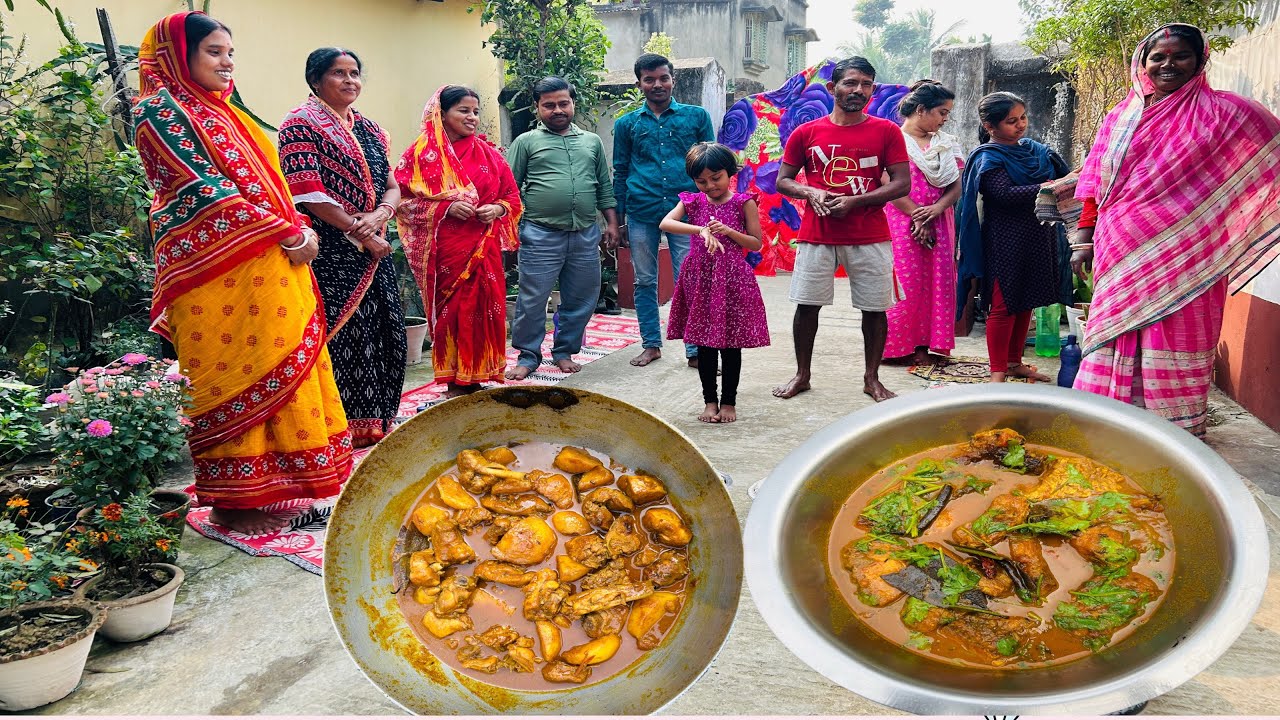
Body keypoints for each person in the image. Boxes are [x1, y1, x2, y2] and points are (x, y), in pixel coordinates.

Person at [132, 12, 351, 535]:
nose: (227, 62)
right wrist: (290, 233)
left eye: (230, 52)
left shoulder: (228, 113)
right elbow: (202, 190)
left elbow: (268, 184)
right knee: (237, 374)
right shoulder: (158, 111)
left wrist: (295, 227)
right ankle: (232, 501)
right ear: (175, 56)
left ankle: (274, 487)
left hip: (271, 261)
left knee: (285, 366)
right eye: (213, 51)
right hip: (215, 268)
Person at [1070, 24, 1280, 437]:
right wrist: (1083, 239)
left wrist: (1225, 213)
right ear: (1142, 62)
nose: (1168, 64)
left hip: (1192, 254)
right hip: (1121, 247)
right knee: (1115, 331)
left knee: (1178, 333)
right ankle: (1108, 423)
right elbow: (1095, 184)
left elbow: (1269, 153)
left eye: (1180, 55)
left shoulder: (1228, 112)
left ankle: (1173, 433)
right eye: (1158, 56)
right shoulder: (1121, 117)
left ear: (1199, 59)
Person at [278, 48, 405, 447]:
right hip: (331, 252)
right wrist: (359, 230)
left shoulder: (370, 128)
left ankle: (379, 420)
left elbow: (393, 183)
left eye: (355, 73)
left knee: (386, 332)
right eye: (338, 73)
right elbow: (307, 192)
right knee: (344, 337)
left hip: (376, 246)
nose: (350, 80)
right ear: (315, 80)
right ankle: (340, 426)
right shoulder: (299, 124)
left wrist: (381, 214)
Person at [772, 56, 911, 402]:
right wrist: (811, 191)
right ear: (832, 88)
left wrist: (856, 202)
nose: (858, 90)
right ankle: (802, 375)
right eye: (850, 83)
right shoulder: (806, 132)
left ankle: (871, 379)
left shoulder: (887, 131)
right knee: (807, 306)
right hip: (817, 233)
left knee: (875, 309)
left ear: (873, 90)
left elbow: (901, 184)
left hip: (870, 234)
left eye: (866, 84)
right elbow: (784, 181)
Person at [395, 86, 522, 397]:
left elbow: (513, 198)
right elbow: (400, 201)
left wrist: (497, 208)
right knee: (453, 313)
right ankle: (455, 380)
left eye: (476, 111)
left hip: (483, 248)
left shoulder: (489, 154)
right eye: (463, 110)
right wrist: (445, 207)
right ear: (441, 113)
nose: (473, 118)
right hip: (446, 253)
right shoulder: (420, 156)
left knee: (484, 309)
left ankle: (476, 375)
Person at [504, 77, 619, 380]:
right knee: (532, 299)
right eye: (549, 105)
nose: (557, 109)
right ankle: (528, 355)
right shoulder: (526, 142)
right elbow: (510, 190)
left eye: (563, 103)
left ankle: (564, 351)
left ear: (573, 103)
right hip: (540, 233)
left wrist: (611, 222)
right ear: (537, 107)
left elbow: (603, 186)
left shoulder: (591, 141)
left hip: (584, 233)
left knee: (582, 296)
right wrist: (509, 229)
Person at [955, 92, 1069, 383]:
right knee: (1003, 305)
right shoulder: (988, 157)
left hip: (1038, 234)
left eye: (1022, 118)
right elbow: (1003, 195)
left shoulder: (1033, 151)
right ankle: (997, 374)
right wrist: (1051, 185)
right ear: (990, 126)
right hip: (1005, 238)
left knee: (1026, 301)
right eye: (1011, 121)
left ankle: (1014, 362)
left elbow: (1064, 178)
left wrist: (1061, 182)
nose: (1020, 125)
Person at [612, 53, 716, 367]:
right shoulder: (626, 124)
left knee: (691, 278)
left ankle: (696, 350)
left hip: (686, 212)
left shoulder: (696, 117)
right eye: (650, 79)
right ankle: (651, 344)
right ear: (639, 83)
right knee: (644, 281)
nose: (657, 85)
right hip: (642, 211)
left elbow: (711, 164)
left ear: (673, 79)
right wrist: (618, 220)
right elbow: (620, 170)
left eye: (663, 78)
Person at [660, 143, 769, 423]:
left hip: (732, 281)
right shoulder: (692, 202)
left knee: (731, 345)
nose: (709, 185)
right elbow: (666, 223)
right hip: (701, 280)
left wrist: (730, 232)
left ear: (730, 172)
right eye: (701, 181)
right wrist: (701, 229)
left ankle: (728, 402)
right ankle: (710, 401)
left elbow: (756, 244)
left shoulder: (743, 202)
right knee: (704, 345)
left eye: (716, 177)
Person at [882, 80, 964, 368]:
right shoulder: (890, 139)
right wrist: (919, 215)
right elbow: (886, 184)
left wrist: (936, 211)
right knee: (905, 283)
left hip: (940, 220)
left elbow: (955, 186)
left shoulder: (946, 143)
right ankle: (898, 348)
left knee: (938, 281)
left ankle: (930, 346)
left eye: (947, 114)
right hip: (901, 219)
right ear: (920, 109)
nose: (945, 119)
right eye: (942, 112)